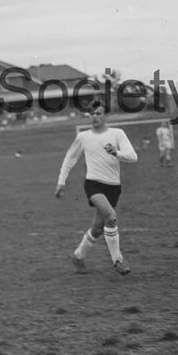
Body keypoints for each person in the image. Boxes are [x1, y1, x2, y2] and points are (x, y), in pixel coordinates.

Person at [56, 102, 137, 275]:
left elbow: (133, 156)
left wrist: (116, 153)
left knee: (99, 227)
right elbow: (70, 158)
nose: (95, 116)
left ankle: (78, 256)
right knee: (111, 217)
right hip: (93, 184)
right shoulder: (83, 137)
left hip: (113, 186)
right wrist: (61, 181)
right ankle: (118, 261)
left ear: (105, 115)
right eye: (92, 114)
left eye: (98, 113)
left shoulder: (117, 133)